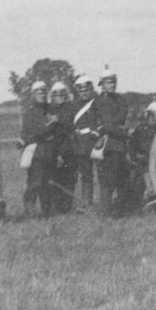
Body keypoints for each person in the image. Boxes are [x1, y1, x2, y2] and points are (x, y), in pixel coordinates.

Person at [92, 67, 132, 216]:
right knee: (108, 182)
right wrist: (121, 130)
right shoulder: (101, 101)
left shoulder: (120, 99)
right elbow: (108, 125)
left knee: (122, 180)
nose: (112, 85)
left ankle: (119, 211)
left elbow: (123, 115)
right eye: (108, 82)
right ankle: (106, 213)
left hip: (120, 145)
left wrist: (117, 127)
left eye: (113, 82)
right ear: (101, 84)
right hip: (108, 146)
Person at [20, 81, 62, 217]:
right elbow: (35, 132)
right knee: (35, 182)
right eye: (39, 92)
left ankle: (46, 212)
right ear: (33, 94)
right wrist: (50, 124)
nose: (42, 95)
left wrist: (59, 153)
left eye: (44, 92)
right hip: (36, 152)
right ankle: (30, 209)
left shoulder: (52, 109)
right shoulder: (29, 112)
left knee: (48, 183)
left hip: (50, 151)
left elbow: (58, 133)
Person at [47, 82, 78, 214]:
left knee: (69, 178)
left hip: (68, 147)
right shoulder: (49, 109)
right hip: (54, 147)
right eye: (56, 94)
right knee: (55, 178)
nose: (59, 96)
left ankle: (67, 206)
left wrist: (59, 120)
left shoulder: (71, 108)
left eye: (61, 93)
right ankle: (57, 206)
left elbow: (72, 126)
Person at [70, 75, 98, 209]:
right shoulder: (73, 106)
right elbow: (70, 124)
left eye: (86, 90)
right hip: (81, 143)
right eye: (81, 91)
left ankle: (104, 201)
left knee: (102, 172)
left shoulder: (96, 104)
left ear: (91, 89)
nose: (84, 93)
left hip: (96, 140)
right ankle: (87, 203)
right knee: (86, 174)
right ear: (77, 91)